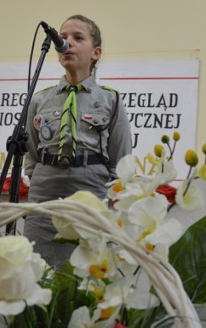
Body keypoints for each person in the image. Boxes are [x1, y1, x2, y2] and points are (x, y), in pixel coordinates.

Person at [23, 14, 132, 267]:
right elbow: (31, 153)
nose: (67, 43)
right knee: (36, 269)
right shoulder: (39, 99)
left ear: (96, 52)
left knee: (86, 272)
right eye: (62, 38)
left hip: (90, 194)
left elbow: (122, 159)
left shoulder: (110, 100)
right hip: (44, 196)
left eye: (77, 37)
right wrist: (42, 177)